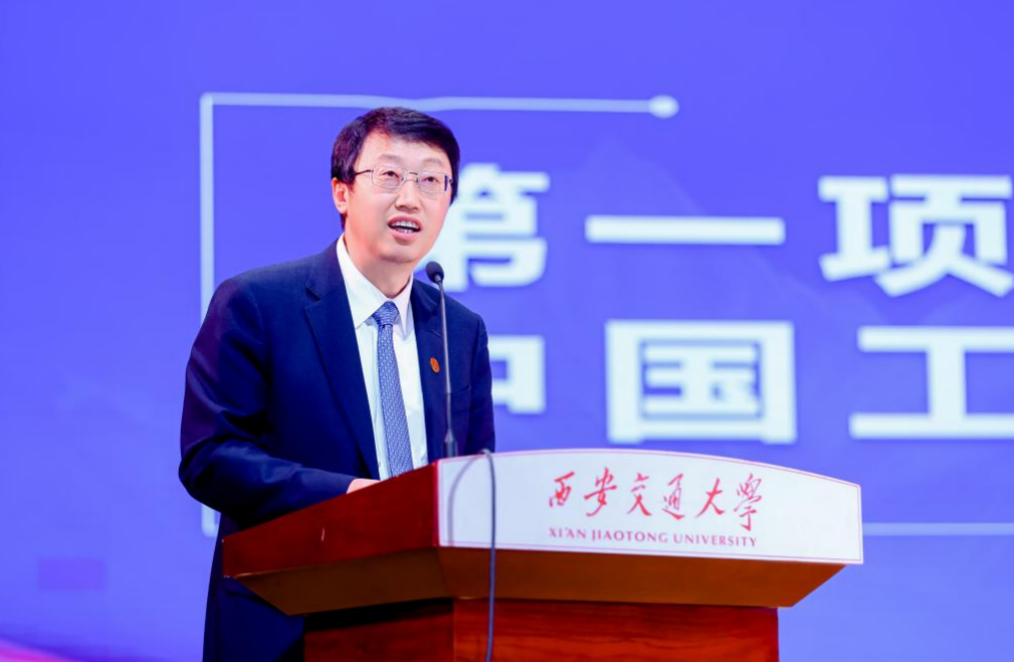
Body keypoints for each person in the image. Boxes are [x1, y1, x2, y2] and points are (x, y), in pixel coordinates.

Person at [179, 107, 496, 661]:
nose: (410, 198)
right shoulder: (259, 304)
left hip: (426, 624)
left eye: (431, 180)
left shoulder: (458, 330)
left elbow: (474, 472)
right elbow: (212, 457)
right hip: (289, 622)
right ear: (341, 192)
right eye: (390, 175)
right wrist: (350, 499)